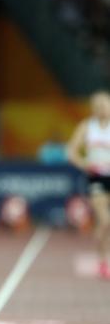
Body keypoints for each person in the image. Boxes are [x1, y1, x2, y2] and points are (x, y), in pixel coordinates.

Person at [67, 90, 110, 279]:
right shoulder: (87, 127)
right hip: (97, 178)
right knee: (106, 221)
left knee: (105, 225)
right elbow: (71, 151)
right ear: (94, 109)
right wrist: (85, 164)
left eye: (106, 105)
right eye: (99, 106)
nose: (103, 109)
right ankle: (103, 261)